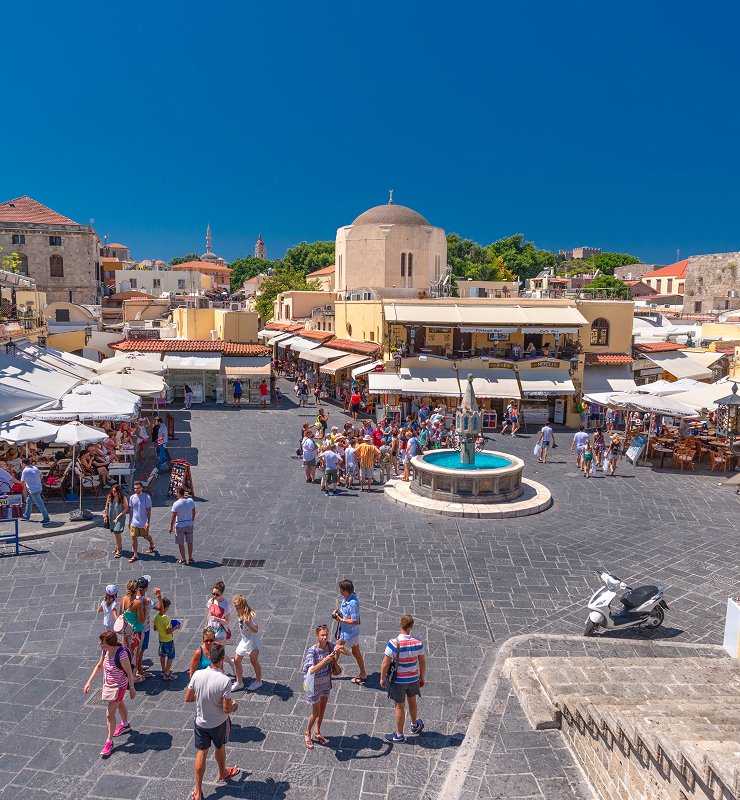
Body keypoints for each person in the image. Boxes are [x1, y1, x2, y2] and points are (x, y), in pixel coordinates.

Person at [185, 643, 240, 798]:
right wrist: (234, 706)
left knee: (201, 752)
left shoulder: (197, 675)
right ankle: (223, 773)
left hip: (200, 722)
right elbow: (226, 709)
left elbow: (188, 698)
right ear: (222, 659)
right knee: (220, 747)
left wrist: (203, 696)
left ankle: (198, 790)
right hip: (218, 723)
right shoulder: (225, 681)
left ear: (210, 658)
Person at [84, 631, 136, 757]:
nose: (99, 644)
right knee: (120, 704)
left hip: (119, 687)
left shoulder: (121, 655)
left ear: (108, 643)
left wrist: (132, 688)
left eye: (101, 642)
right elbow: (99, 666)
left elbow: (129, 672)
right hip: (109, 686)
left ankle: (109, 741)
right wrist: (89, 681)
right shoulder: (105, 651)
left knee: (109, 714)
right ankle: (125, 725)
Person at [380, 614, 426, 743]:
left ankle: (399, 735)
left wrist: (382, 678)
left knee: (399, 707)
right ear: (411, 626)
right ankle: (414, 725)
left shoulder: (393, 643)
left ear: (401, 625)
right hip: (413, 678)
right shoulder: (418, 642)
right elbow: (422, 662)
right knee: (412, 702)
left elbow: (385, 663)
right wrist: (422, 677)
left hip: (399, 680)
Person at [302, 625, 343, 749]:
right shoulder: (312, 651)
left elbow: (349, 654)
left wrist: (340, 648)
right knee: (316, 712)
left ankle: (317, 732)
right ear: (317, 636)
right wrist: (325, 660)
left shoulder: (330, 646)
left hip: (325, 683)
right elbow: (311, 670)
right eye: (322, 635)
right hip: (314, 686)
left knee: (323, 709)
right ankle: (307, 733)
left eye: (326, 635)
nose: (325, 637)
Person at [333, 580, 367, 685]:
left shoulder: (353, 603)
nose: (339, 591)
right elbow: (344, 610)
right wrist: (337, 612)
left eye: (341, 590)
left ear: (346, 591)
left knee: (356, 653)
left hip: (351, 633)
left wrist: (341, 620)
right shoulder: (345, 597)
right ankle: (331, 671)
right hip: (343, 630)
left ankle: (363, 673)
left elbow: (356, 621)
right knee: (336, 649)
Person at [231, 595, 262, 692]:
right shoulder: (240, 613)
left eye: (237, 607)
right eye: (235, 607)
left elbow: (256, 630)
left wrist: (248, 623)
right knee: (236, 660)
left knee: (254, 661)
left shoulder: (251, 615)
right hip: (244, 640)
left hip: (252, 641)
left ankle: (258, 681)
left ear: (242, 606)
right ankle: (239, 682)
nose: (235, 609)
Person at [135, 577, 163, 680]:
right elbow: (160, 608)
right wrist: (159, 596)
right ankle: (139, 670)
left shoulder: (132, 598)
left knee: (136, 650)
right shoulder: (146, 600)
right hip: (144, 629)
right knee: (140, 651)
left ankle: (138, 666)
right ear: (146, 588)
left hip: (134, 628)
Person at [119, 579, 146, 679]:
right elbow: (141, 620)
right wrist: (144, 609)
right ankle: (133, 677)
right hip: (136, 632)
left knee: (126, 653)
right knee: (135, 655)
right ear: (137, 589)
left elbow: (120, 615)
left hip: (126, 631)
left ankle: (126, 675)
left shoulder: (123, 599)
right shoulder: (138, 603)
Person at [128, 480, 154, 563]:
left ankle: (152, 544)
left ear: (141, 488)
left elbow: (148, 511)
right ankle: (135, 555)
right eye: (135, 488)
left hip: (143, 522)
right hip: (134, 522)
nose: (136, 490)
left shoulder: (147, 497)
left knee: (145, 536)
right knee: (134, 538)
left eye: (138, 488)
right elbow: (131, 510)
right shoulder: (132, 497)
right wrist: (129, 521)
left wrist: (147, 522)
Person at [169, 486, 197, 565]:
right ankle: (190, 558)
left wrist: (171, 527)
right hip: (189, 524)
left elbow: (173, 517)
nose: (175, 494)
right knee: (190, 542)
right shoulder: (190, 501)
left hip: (180, 525)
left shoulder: (176, 504)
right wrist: (192, 520)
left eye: (176, 492)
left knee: (180, 543)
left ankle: (183, 559)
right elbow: (194, 511)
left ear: (178, 493)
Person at [20, 457, 51, 526]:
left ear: (23, 464)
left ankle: (46, 519)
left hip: (33, 490)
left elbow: (22, 481)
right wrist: (36, 481)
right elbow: (41, 475)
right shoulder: (34, 468)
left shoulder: (25, 471)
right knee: (29, 501)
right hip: (38, 488)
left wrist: (29, 482)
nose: (21, 465)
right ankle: (26, 515)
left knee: (40, 504)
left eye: (21, 464)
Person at [154, 596, 177, 680]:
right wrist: (176, 627)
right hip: (168, 640)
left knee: (162, 655)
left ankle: (163, 670)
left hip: (161, 640)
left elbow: (155, 628)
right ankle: (167, 674)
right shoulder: (167, 619)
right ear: (166, 608)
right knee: (171, 656)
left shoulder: (156, 617)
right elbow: (168, 631)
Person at [104, 484, 128, 559]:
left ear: (118, 491)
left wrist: (118, 517)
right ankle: (118, 547)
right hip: (112, 517)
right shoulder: (110, 497)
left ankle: (119, 550)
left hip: (120, 518)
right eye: (112, 491)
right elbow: (106, 506)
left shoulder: (123, 498)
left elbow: (125, 508)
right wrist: (105, 516)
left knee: (117, 532)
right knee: (115, 533)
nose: (113, 493)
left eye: (115, 491)